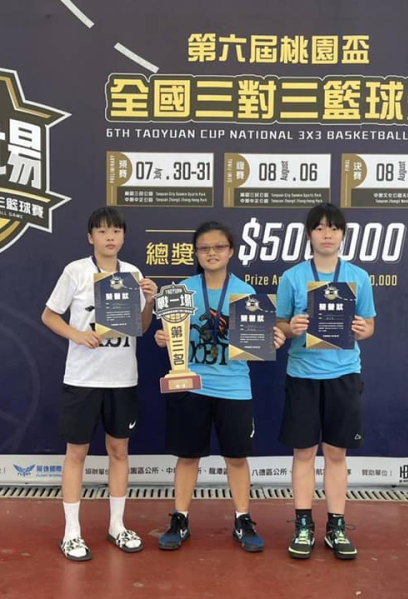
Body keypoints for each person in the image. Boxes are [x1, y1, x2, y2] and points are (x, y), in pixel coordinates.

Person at [154, 221, 285, 553]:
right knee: (187, 457)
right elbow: (168, 333)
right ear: (196, 253)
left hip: (234, 387)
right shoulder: (181, 290)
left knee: (237, 457)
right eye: (204, 248)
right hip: (190, 384)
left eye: (219, 247)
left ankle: (243, 519)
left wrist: (271, 340)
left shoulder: (246, 293)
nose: (211, 253)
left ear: (231, 252)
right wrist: (162, 337)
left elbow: (256, 347)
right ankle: (180, 518)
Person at [42, 207, 157, 561]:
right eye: (103, 231)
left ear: (123, 236)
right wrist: (77, 335)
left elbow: (141, 327)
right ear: (90, 237)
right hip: (83, 378)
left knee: (119, 451)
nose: (110, 237)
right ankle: (71, 532)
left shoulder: (133, 274)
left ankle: (117, 526)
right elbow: (49, 315)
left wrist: (149, 300)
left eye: (116, 231)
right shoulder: (76, 271)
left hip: (122, 378)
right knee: (76, 453)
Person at [275, 203, 375, 560]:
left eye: (333, 228)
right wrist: (292, 327)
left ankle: (336, 526)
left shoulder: (358, 277)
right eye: (319, 228)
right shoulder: (292, 277)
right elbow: (280, 323)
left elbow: (369, 325)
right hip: (302, 375)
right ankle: (303, 525)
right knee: (303, 453)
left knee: (336, 453)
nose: (327, 234)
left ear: (343, 234)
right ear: (309, 234)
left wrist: (362, 329)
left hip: (344, 374)